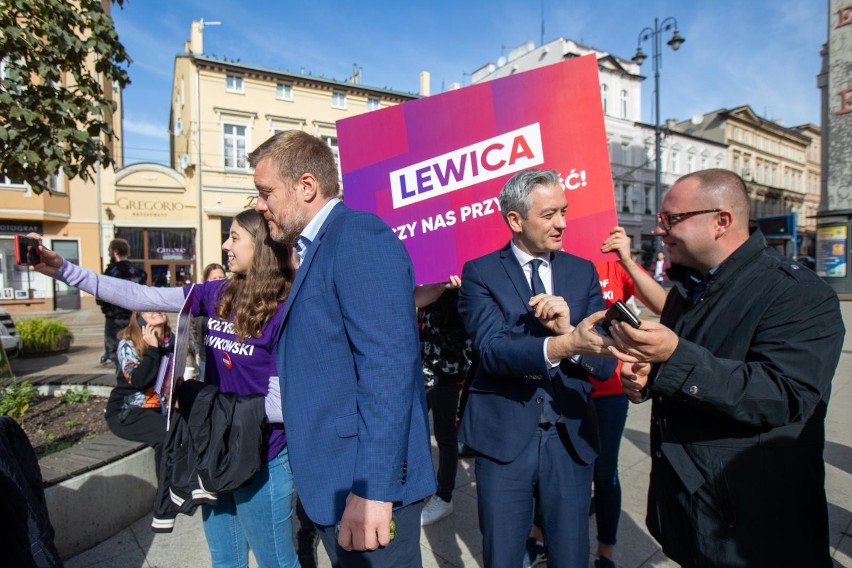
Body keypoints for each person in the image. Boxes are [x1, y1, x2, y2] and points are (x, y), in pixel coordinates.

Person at [32, 209, 300, 568]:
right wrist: (64, 271)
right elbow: (142, 296)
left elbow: (286, 405)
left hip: (263, 455)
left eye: (234, 237)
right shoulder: (215, 293)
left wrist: (209, 404)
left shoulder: (286, 311)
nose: (225, 245)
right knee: (225, 558)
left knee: (276, 562)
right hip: (215, 449)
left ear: (262, 246)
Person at [610, 169, 845, 567]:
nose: (658, 228)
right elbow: (691, 368)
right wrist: (647, 376)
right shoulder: (690, 287)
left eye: (672, 218)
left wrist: (673, 356)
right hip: (692, 509)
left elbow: (783, 395)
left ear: (721, 221)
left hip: (752, 529)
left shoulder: (798, 293)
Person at [250, 130, 434, 567]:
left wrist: (374, 487)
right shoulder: (318, 246)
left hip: (364, 487)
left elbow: (388, 366)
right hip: (336, 481)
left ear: (307, 186)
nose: (259, 205)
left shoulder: (357, 236)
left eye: (265, 192)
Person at [457, 168, 617, 568]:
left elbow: (600, 362)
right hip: (504, 436)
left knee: (571, 555)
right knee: (504, 556)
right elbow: (492, 351)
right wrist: (563, 343)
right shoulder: (481, 273)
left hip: (570, 437)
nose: (562, 223)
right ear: (516, 219)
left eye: (563, 211)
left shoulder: (582, 272)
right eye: (549, 215)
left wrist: (570, 335)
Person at [589, 227, 667, 568]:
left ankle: (605, 551)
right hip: (562, 385)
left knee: (604, 473)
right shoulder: (551, 260)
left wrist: (627, 259)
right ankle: (541, 534)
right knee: (555, 470)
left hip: (607, 389)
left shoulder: (612, 263)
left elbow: (664, 304)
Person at [414, 275, 471, 526]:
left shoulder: (461, 283)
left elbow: (462, 328)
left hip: (448, 369)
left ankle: (444, 496)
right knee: (414, 430)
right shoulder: (428, 274)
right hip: (421, 365)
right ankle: (420, 486)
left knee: (445, 436)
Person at [104, 311, 171, 462]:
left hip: (160, 408)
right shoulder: (128, 344)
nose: (157, 310)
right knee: (167, 434)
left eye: (159, 306)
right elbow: (139, 381)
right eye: (149, 309)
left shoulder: (170, 343)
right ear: (139, 319)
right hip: (128, 411)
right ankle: (167, 486)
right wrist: (153, 350)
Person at [98, 238, 147, 370]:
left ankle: (122, 377)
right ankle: (133, 375)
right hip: (135, 317)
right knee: (136, 347)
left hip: (116, 318)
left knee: (115, 350)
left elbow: (100, 297)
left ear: (115, 252)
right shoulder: (138, 272)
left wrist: (107, 307)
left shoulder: (111, 272)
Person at [190, 263, 227, 381]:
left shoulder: (233, 299)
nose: (218, 281)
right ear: (206, 281)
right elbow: (192, 329)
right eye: (214, 278)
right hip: (205, 357)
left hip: (226, 357)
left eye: (221, 277)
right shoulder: (200, 302)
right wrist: (196, 351)